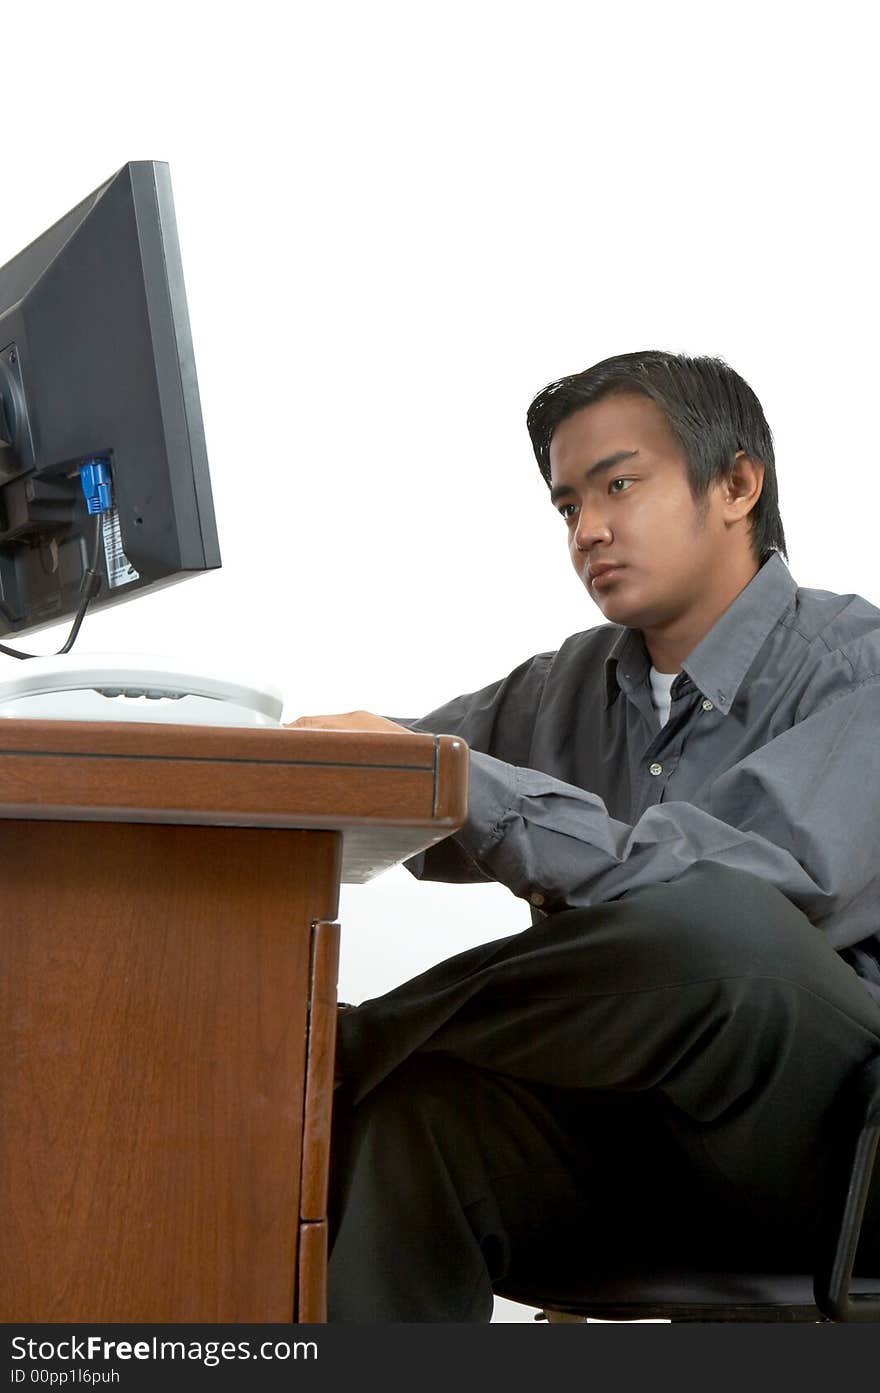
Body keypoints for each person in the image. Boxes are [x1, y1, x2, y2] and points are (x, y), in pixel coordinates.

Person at [288, 350, 880, 1322]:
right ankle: (359, 1065)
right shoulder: (564, 687)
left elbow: (768, 885)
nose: (588, 529)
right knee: (415, 1118)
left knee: (723, 925)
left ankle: (342, 1044)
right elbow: (410, 781)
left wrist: (475, 785)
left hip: (825, 1156)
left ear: (735, 484)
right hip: (626, 1150)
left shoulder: (857, 669)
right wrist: (265, 774)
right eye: (567, 506)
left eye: (618, 485)